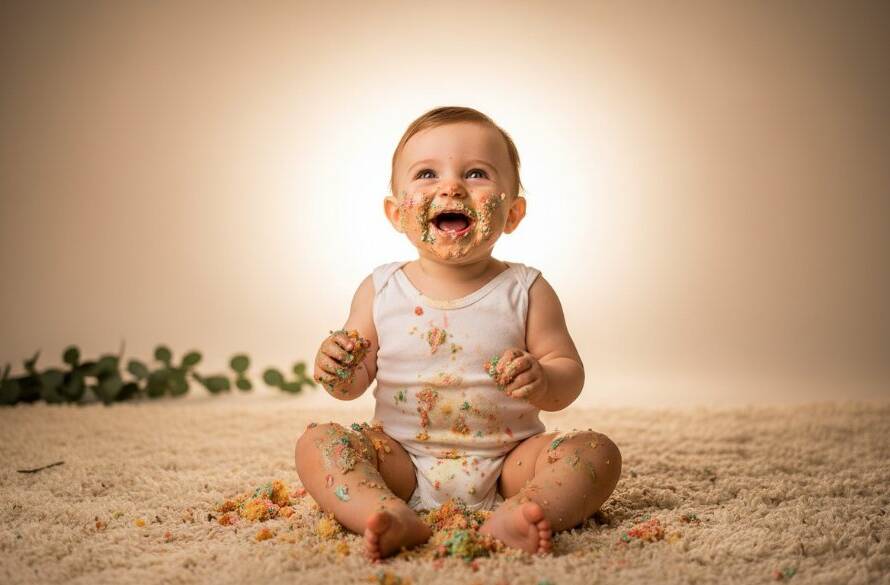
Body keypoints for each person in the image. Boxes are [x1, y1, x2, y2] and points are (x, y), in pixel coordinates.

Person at [295, 106, 621, 561]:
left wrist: (544, 379)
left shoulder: (526, 289)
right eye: (427, 173)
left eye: (475, 173)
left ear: (512, 212)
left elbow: (568, 374)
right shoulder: (381, 288)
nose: (451, 186)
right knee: (319, 443)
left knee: (595, 452)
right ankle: (382, 510)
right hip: (401, 458)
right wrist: (336, 366)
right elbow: (350, 385)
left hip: (511, 461)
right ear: (395, 213)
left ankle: (526, 509)